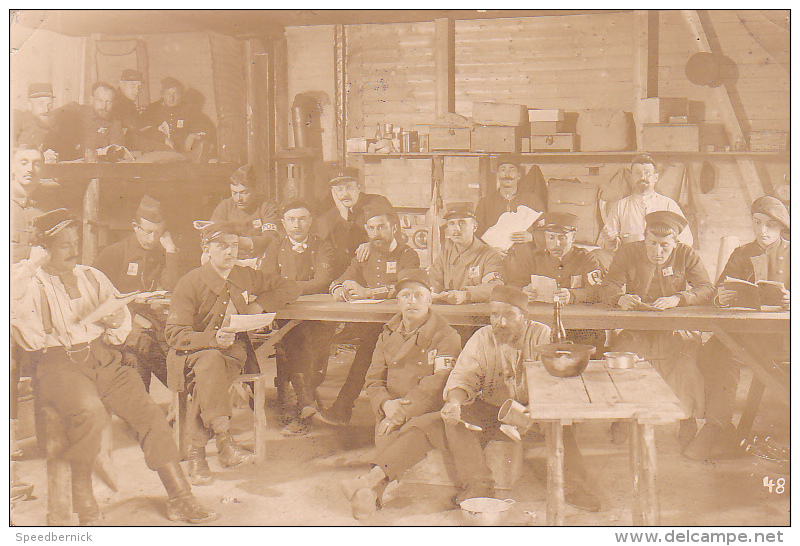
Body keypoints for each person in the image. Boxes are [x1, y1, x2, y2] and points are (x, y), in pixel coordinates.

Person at [10, 209, 217, 525]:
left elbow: (120, 323)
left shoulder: (90, 275)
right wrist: (32, 263)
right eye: (64, 244)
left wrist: (116, 319)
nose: (73, 250)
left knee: (149, 413)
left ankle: (180, 496)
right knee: (90, 413)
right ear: (44, 248)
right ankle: (85, 503)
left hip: (103, 358)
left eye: (75, 242)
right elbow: (13, 310)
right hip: (59, 366)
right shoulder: (29, 282)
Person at [165, 222, 301, 486]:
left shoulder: (245, 275)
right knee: (210, 363)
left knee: (213, 370)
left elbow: (291, 287)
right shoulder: (190, 282)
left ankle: (200, 453)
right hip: (194, 354)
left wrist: (260, 304)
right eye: (222, 246)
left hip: (233, 355)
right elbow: (174, 335)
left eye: (235, 246)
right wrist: (210, 339)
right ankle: (218, 443)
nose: (230, 252)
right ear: (207, 248)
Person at [441, 285, 600, 510]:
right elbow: (463, 377)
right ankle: (478, 485)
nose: (500, 322)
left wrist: (534, 411)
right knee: (453, 417)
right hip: (492, 410)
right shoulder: (482, 337)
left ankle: (575, 487)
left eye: (509, 315)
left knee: (560, 423)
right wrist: (455, 402)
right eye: (495, 315)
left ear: (524, 317)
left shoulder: (543, 334)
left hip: (534, 410)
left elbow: (556, 383)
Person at [341, 269, 461, 519]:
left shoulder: (446, 335)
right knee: (389, 433)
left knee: (413, 430)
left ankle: (369, 484)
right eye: (405, 295)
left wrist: (401, 412)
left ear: (430, 299)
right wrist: (386, 406)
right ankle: (371, 491)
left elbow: (438, 383)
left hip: (427, 410)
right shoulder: (386, 334)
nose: (411, 301)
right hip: (391, 408)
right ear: (398, 301)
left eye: (419, 295)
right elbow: (373, 380)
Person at [684, 196, 790, 461]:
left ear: (781, 227)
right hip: (747, 335)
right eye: (757, 223)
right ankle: (718, 425)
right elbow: (717, 292)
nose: (762, 231)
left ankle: (715, 429)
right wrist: (723, 298)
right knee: (712, 353)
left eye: (770, 226)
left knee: (726, 353)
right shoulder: (742, 253)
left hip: (784, 339)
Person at [600, 211, 713, 446]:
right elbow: (609, 285)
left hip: (673, 331)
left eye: (665, 246)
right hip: (636, 331)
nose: (658, 252)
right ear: (644, 238)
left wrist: (679, 298)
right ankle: (622, 418)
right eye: (652, 243)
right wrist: (619, 298)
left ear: (676, 243)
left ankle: (687, 417)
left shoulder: (687, 254)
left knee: (685, 362)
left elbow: (706, 288)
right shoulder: (628, 252)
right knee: (623, 358)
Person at [320, 201, 421, 425]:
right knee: (369, 351)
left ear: (394, 227)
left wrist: (368, 292)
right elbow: (342, 278)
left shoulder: (408, 254)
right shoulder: (365, 254)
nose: (377, 233)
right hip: (374, 326)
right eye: (372, 228)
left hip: (404, 326)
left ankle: (344, 407)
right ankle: (345, 408)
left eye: (382, 227)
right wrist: (340, 290)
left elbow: (405, 287)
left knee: (368, 354)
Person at [261, 198, 338, 434]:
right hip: (287, 315)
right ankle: (304, 405)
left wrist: (288, 288)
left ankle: (302, 402)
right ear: (283, 223)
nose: (297, 225)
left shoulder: (323, 246)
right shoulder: (276, 247)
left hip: (318, 316)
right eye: (291, 220)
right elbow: (267, 278)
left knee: (309, 345)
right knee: (296, 337)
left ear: (310, 221)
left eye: (302, 219)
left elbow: (323, 281)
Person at [93, 195, 179, 392]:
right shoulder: (114, 253)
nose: (152, 239)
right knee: (144, 344)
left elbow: (171, 286)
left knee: (151, 352)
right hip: (115, 321)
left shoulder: (160, 252)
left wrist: (171, 250)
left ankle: (146, 409)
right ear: (135, 226)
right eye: (148, 232)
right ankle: (182, 389)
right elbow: (94, 295)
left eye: (158, 233)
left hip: (145, 321)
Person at [505, 212, 605, 353]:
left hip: (581, 328)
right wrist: (522, 292)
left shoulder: (587, 259)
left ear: (573, 237)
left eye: (562, 238)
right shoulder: (535, 259)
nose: (556, 244)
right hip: (543, 326)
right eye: (551, 238)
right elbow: (512, 285)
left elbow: (598, 291)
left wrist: (572, 295)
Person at [598, 153, 693, 251]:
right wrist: (611, 240)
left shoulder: (668, 204)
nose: (643, 177)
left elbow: (686, 239)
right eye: (637, 173)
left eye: (647, 173)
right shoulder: (620, 206)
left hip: (661, 262)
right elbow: (603, 241)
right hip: (630, 261)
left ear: (656, 177)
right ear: (631, 177)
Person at [315, 165, 394, 276]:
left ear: (359, 188)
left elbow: (395, 237)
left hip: (378, 270)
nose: (344, 194)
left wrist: (372, 245)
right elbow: (337, 252)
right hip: (348, 274)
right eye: (339, 190)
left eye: (349, 188)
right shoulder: (331, 216)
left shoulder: (378, 203)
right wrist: (343, 215)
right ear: (333, 193)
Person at [430, 201, 505, 305]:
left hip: (478, 315)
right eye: (452, 224)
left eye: (462, 223)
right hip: (449, 313)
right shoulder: (444, 255)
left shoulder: (489, 255)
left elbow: (496, 287)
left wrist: (466, 295)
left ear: (474, 227)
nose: (456, 229)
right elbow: (433, 283)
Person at [210, 164, 279, 268]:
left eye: (244, 192)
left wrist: (245, 242)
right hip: (231, 255)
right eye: (234, 193)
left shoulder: (266, 205)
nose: (239, 198)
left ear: (255, 190)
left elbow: (271, 237)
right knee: (207, 257)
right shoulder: (226, 206)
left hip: (258, 257)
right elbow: (212, 234)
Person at [475, 154, 546, 247]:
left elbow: (547, 231)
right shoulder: (485, 203)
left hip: (525, 258)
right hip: (494, 258)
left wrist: (532, 237)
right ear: (497, 175)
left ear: (519, 175)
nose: (507, 174)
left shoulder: (533, 200)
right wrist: (490, 251)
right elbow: (475, 235)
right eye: (503, 170)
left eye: (512, 170)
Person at [140, 76, 212, 161]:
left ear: (181, 95)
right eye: (168, 94)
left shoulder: (188, 110)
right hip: (159, 149)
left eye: (175, 94)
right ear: (162, 94)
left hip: (183, 150)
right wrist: (163, 138)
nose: (172, 98)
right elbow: (144, 129)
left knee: (203, 144)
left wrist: (194, 135)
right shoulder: (152, 109)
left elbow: (201, 125)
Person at [49, 82, 125, 161]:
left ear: (113, 103)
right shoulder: (77, 110)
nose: (103, 106)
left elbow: (116, 152)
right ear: (92, 99)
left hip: (95, 167)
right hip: (68, 163)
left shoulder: (115, 124)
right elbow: (49, 119)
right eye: (99, 101)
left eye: (108, 102)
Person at [11, 145, 54, 263]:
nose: (30, 169)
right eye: (24, 163)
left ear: (43, 170)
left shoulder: (49, 207)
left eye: (36, 164)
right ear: (12, 167)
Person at [12, 83, 58, 160]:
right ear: (29, 106)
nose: (46, 110)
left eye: (49, 105)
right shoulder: (15, 121)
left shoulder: (50, 127)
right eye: (41, 104)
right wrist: (41, 157)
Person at [113, 69, 145, 150]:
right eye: (132, 86)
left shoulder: (127, 102)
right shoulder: (116, 103)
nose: (137, 90)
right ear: (121, 84)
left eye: (139, 87)